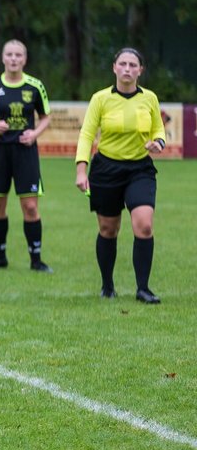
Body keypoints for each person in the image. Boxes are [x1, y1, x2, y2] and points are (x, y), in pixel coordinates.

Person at [74, 47, 165, 303]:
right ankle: (107, 285)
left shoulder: (149, 99)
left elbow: (159, 130)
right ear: (114, 67)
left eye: (133, 65)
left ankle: (143, 289)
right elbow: (86, 134)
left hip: (140, 169)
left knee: (144, 225)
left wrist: (158, 143)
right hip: (106, 169)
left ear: (140, 70)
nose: (127, 69)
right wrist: (81, 169)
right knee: (108, 229)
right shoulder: (100, 99)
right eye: (123, 64)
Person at [0, 40, 52, 272]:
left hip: (25, 151)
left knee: (30, 206)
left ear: (25, 59)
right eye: (9, 54)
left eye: (18, 55)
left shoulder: (35, 86)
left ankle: (36, 260)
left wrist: (34, 134)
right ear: (2, 58)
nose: (14, 59)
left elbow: (46, 116)